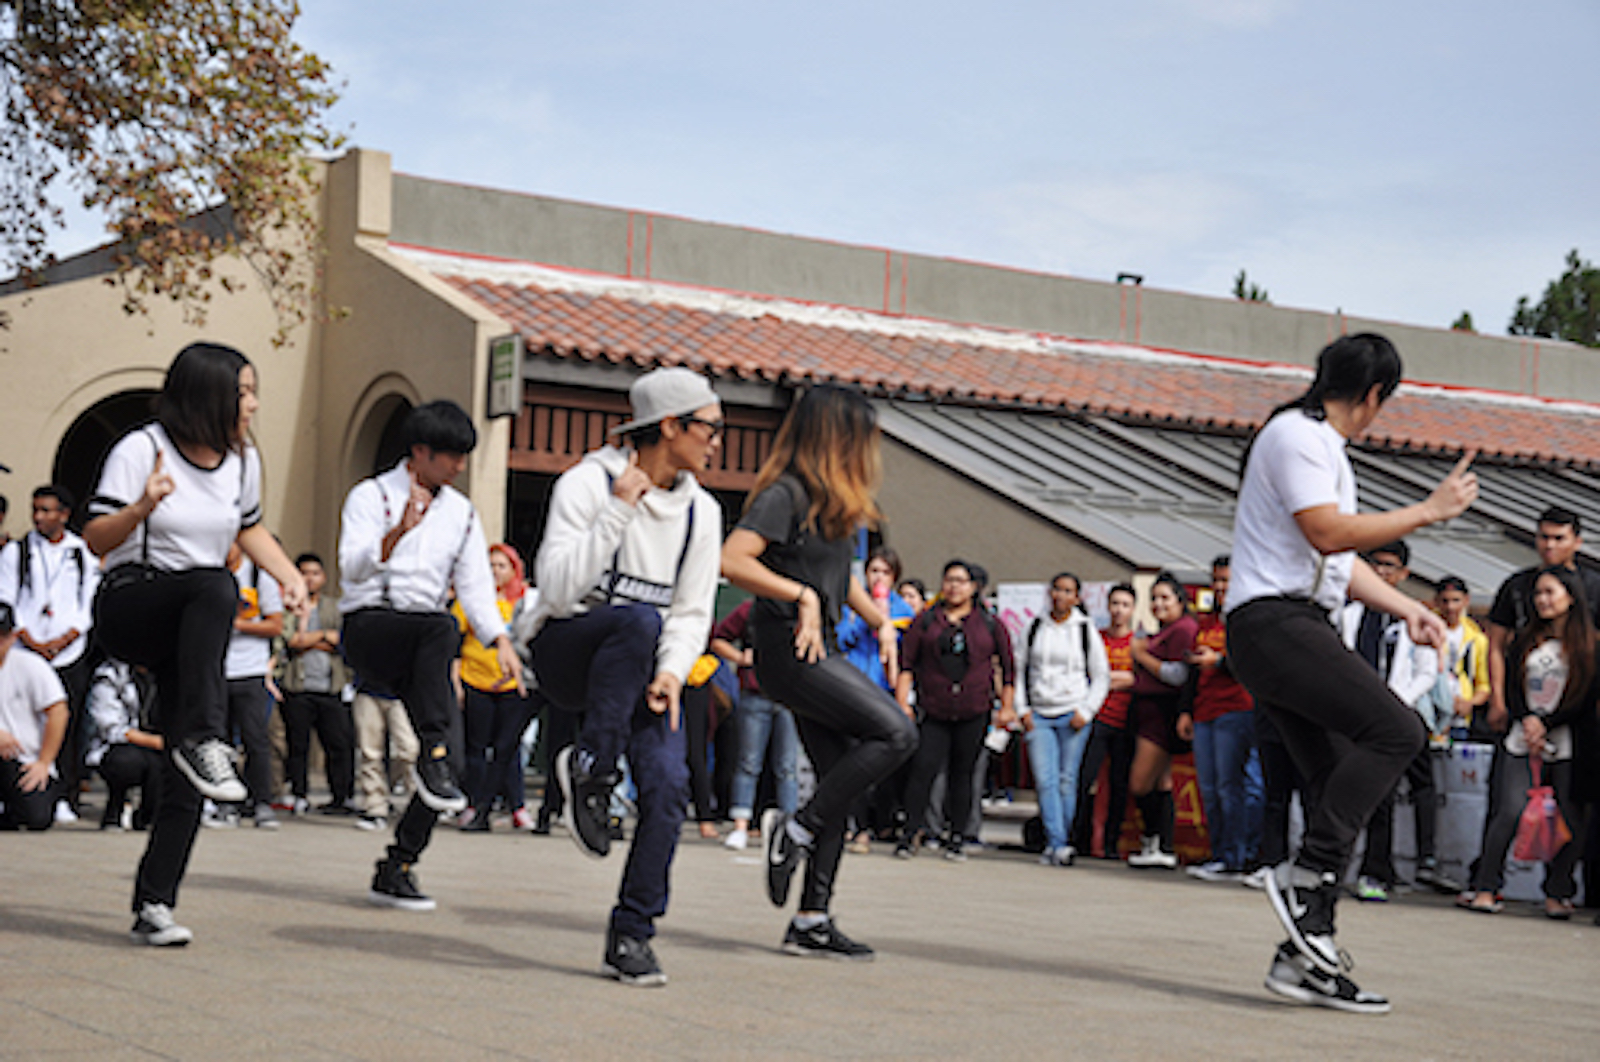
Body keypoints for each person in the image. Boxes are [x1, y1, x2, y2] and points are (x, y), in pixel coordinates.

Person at [1225, 332, 1476, 1013]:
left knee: (1337, 777)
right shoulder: (1298, 436)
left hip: (1288, 623)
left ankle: (1305, 951)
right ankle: (1306, 874)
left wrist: (1408, 608)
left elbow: (1336, 560)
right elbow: (1328, 533)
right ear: (1373, 396)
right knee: (1397, 731)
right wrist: (1428, 510)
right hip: (1275, 623)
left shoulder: (1317, 444)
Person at [83, 341, 308, 946]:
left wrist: (288, 576)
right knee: (215, 583)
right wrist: (142, 506)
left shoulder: (241, 462)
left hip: (192, 621)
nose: (253, 405)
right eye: (245, 393)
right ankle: (207, 736)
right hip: (132, 602)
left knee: (188, 769)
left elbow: (250, 528)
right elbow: (96, 538)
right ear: (210, 396)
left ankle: (155, 903)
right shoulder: (142, 449)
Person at [526, 367, 723, 986]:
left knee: (669, 786)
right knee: (637, 619)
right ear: (670, 426)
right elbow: (556, 590)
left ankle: (632, 933)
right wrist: (616, 512)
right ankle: (593, 768)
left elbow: (692, 612)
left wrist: (672, 672)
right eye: (710, 427)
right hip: (567, 654)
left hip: (639, 672)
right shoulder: (587, 483)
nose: (717, 441)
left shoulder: (702, 513)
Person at [722, 384, 915, 961]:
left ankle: (811, 919)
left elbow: (839, 577)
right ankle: (795, 829)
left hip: (818, 646)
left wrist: (880, 621)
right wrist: (800, 595)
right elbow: (733, 559)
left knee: (839, 780)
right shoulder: (786, 494)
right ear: (838, 437)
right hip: (789, 649)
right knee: (897, 732)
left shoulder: (833, 506)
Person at [339, 400, 524, 911]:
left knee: (452, 765)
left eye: (464, 457)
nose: (459, 466)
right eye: (451, 457)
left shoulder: (461, 513)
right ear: (420, 452)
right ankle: (435, 751)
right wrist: (397, 534)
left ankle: (397, 865)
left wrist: (500, 640)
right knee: (441, 626)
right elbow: (351, 569)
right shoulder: (371, 496)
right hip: (373, 626)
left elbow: (475, 586)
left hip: (424, 645)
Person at [1463, 567, 1597, 918]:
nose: (1542, 600)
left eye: (1550, 592)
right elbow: (1512, 685)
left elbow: (1585, 697)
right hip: (1522, 738)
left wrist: (1548, 723)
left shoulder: (1589, 644)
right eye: (1538, 593)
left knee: (1571, 819)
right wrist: (1528, 719)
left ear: (1570, 596)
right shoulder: (1525, 639)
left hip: (1568, 740)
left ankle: (1558, 891)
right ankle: (1486, 886)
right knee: (1508, 811)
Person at [1337, 541, 1441, 902]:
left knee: (1384, 796)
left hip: (1397, 715)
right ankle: (1338, 868)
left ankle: (1375, 871)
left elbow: (1427, 671)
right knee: (1350, 794)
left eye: (1389, 566)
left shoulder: (1413, 614)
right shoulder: (1349, 614)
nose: (1381, 572)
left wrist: (1396, 703)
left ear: (1403, 573)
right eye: (1375, 564)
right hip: (1355, 715)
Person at [893, 559, 1015, 862]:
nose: (954, 586)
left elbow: (1008, 668)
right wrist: (902, 703)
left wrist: (1007, 706)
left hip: (974, 709)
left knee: (964, 775)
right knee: (923, 771)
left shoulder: (989, 624)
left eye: (961, 581)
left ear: (973, 587)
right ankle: (910, 834)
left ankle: (958, 837)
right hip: (933, 709)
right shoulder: (926, 621)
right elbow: (906, 664)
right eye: (949, 580)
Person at [0, 485, 102, 820]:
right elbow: (7, 598)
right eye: (36, 510)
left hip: (69, 651)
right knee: (25, 717)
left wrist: (65, 639)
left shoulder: (80, 552)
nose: (38, 517)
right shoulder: (17, 551)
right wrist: (31, 640)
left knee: (66, 721)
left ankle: (65, 793)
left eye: (46, 510)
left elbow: (87, 605)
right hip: (26, 647)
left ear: (64, 514)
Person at [1016, 571, 1110, 867]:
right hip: (1039, 714)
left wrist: (1087, 710)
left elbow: (1101, 675)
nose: (1061, 596)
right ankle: (1056, 842)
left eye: (1068, 591)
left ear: (1077, 597)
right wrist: (1022, 709)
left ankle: (1062, 841)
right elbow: (1018, 671)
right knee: (1045, 780)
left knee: (1067, 781)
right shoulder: (1034, 627)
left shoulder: (1084, 629)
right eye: (1057, 589)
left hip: (1072, 713)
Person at [1183, 556, 1262, 883]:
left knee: (1233, 787)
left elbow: (1253, 663)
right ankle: (1219, 854)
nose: (1219, 586)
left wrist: (1219, 662)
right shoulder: (1205, 622)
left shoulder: (1249, 619)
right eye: (1215, 580)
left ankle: (1237, 856)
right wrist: (1186, 710)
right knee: (1210, 788)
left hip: (1236, 709)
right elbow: (1192, 671)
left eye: (1226, 580)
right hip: (1204, 712)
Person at [836, 546, 916, 851]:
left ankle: (881, 822)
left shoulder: (903, 610)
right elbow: (842, 639)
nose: (878, 577)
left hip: (885, 691)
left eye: (885, 572)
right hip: (855, 687)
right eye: (873, 571)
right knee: (852, 758)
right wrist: (866, 618)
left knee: (882, 760)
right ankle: (857, 826)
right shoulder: (853, 604)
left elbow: (909, 654)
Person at [457, 543, 539, 832]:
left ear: (514, 570)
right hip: (476, 679)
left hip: (513, 684)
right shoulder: (472, 599)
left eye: (502, 566)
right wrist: (456, 682)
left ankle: (517, 806)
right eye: (490, 565)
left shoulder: (525, 600)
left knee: (509, 747)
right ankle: (474, 804)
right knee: (477, 748)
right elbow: (455, 641)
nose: (495, 571)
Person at [710, 597, 800, 851]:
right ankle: (740, 825)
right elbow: (719, 639)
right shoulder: (749, 609)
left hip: (791, 696)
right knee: (748, 762)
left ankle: (789, 828)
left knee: (787, 766)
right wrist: (740, 657)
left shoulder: (800, 608)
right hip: (755, 693)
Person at [1124, 572, 1199, 869]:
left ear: (1180, 601)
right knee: (1161, 782)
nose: (1158, 604)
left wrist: (1141, 656)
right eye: (1154, 598)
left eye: (1165, 598)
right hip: (1148, 710)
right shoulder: (1163, 631)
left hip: (1161, 712)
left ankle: (1155, 840)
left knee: (1140, 782)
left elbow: (1178, 674)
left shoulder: (1183, 630)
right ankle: (1160, 845)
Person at [207, 542, 283, 829]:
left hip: (250, 670)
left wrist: (236, 624)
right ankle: (226, 804)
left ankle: (261, 802)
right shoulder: (210, 575)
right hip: (216, 670)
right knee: (220, 741)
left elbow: (275, 625)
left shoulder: (258, 577)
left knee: (255, 739)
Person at [277, 552, 356, 816]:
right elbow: (291, 640)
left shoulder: (335, 607)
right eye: (304, 573)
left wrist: (309, 640)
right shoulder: (289, 606)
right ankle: (299, 793)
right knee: (297, 745)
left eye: (315, 573)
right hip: (297, 686)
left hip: (330, 686)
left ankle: (341, 797)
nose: (309, 578)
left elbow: (343, 639)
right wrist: (323, 636)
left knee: (339, 743)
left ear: (323, 577)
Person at [1070, 583, 1138, 859]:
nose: (1119, 610)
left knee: (1120, 784)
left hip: (1126, 722)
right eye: (1115, 604)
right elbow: (1086, 676)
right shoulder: (1095, 639)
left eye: (1125, 605)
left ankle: (1111, 843)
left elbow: (1137, 679)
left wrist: (1106, 678)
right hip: (1096, 719)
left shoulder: (1138, 643)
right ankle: (1078, 838)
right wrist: (1116, 679)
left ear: (1133, 609)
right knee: (1083, 780)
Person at [0, 601, 69, 831]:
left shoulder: (31, 666)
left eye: (2, 636)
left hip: (23, 759)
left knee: (36, 818)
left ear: (13, 636)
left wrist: (44, 762)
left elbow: (58, 711)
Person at [85, 656, 164, 830]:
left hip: (161, 744)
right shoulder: (110, 675)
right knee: (128, 762)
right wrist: (157, 742)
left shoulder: (170, 672)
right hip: (121, 746)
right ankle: (116, 805)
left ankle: (148, 815)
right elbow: (111, 727)